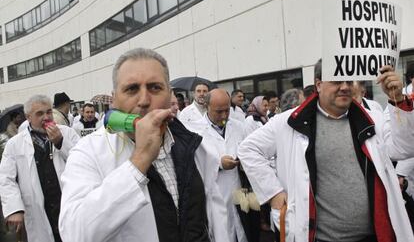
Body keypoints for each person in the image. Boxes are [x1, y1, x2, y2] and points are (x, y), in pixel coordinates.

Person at [59, 48, 230, 242]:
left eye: (155, 88)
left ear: (170, 96)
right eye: (131, 89)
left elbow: (215, 217)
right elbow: (75, 233)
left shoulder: (193, 144)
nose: (144, 100)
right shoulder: (88, 151)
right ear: (114, 100)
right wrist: (139, 161)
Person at [237, 59, 414, 242]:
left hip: (373, 236)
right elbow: (248, 149)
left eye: (349, 81)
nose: (345, 87)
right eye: (337, 81)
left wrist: (399, 100)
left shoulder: (371, 119)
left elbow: (404, 149)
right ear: (319, 84)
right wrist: (273, 193)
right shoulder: (289, 122)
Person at [0, 95, 80, 242]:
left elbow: (82, 163)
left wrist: (60, 142)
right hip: (38, 209)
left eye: (48, 112)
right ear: (28, 117)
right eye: (40, 114)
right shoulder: (15, 144)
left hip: (66, 202)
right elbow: (6, 178)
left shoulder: (67, 133)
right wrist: (15, 209)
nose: (46, 117)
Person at [182, 89, 248, 242]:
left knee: (243, 228)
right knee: (220, 232)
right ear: (206, 107)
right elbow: (192, 164)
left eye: (227, 110)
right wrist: (219, 164)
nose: (224, 116)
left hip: (239, 187)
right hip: (214, 190)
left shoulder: (239, 126)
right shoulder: (194, 131)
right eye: (219, 112)